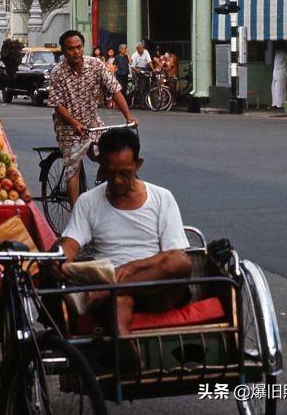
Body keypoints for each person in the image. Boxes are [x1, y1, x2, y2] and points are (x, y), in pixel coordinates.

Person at [53, 128, 192, 336]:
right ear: (101, 167)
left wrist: (133, 266)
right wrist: (59, 258)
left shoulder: (162, 198)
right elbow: (71, 242)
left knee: (180, 261)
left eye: (124, 173)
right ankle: (129, 360)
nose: (117, 180)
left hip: (157, 289)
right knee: (119, 303)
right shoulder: (88, 201)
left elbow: (174, 257)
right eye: (111, 173)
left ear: (138, 165)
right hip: (113, 292)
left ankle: (106, 291)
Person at [47, 30, 136, 206]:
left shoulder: (96, 65)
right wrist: (74, 123)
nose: (76, 52)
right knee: (73, 168)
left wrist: (128, 117)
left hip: (92, 121)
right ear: (64, 51)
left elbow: (114, 89)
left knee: (107, 154)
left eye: (79, 47)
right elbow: (58, 105)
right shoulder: (58, 73)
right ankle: (76, 217)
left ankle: (103, 193)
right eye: (71, 49)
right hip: (68, 125)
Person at [130, 42, 153, 108]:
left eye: (143, 48)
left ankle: (142, 103)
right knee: (136, 87)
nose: (142, 49)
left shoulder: (146, 52)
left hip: (143, 69)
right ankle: (133, 103)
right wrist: (138, 71)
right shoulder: (134, 55)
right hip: (136, 69)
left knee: (142, 87)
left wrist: (153, 69)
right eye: (140, 48)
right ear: (137, 49)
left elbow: (149, 61)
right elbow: (133, 67)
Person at [271, 44, 287, 110]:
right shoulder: (276, 52)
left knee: (280, 89)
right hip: (275, 71)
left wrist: (286, 71)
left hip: (281, 71)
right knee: (274, 88)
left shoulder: (284, 53)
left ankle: (281, 104)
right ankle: (275, 103)